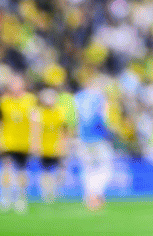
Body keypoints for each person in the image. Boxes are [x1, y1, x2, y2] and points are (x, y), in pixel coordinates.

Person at [0, 74, 40, 213]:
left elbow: (35, 122)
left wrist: (35, 141)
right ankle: (5, 197)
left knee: (22, 171)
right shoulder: (4, 101)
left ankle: (21, 198)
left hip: (23, 141)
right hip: (8, 140)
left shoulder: (30, 100)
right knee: (6, 168)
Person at [73, 77, 114, 211]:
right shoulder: (99, 98)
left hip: (82, 139)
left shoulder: (77, 98)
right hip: (98, 138)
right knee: (105, 168)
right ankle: (97, 195)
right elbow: (103, 119)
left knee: (88, 168)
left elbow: (73, 119)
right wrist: (110, 134)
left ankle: (89, 196)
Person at [37, 88, 69, 204]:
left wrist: (64, 144)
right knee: (45, 171)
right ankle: (47, 193)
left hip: (57, 147)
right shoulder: (39, 113)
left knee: (60, 170)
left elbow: (64, 130)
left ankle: (57, 191)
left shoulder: (60, 112)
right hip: (44, 147)